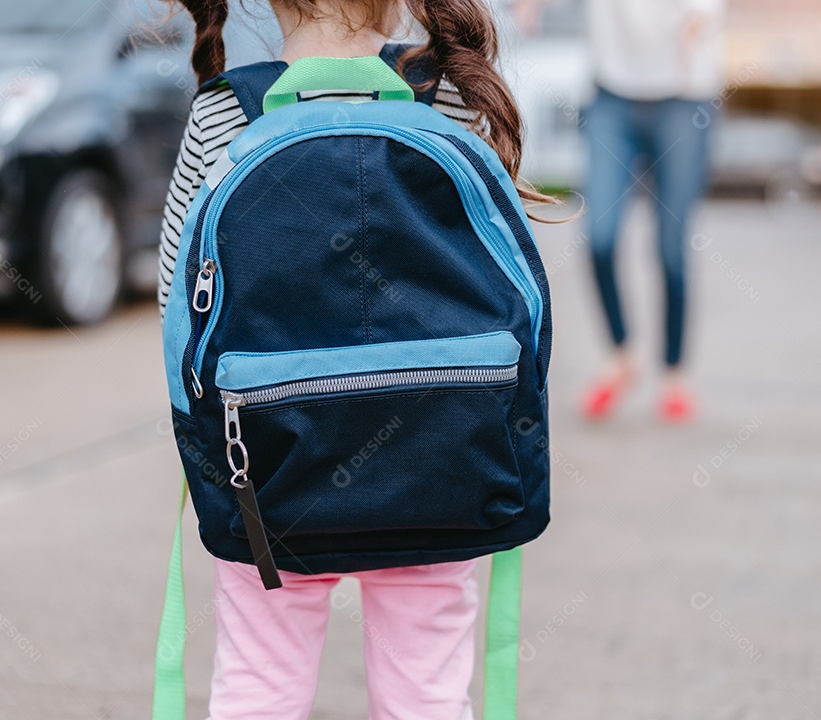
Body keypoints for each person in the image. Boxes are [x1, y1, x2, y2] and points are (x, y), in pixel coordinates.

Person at [157, 1, 553, 718]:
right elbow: (508, 297)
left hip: (268, 478)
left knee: (258, 687)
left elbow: (174, 306)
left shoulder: (223, 113)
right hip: (443, 468)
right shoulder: (455, 94)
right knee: (427, 694)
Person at [518, 0, 724, 421]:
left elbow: (703, 16)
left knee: (670, 247)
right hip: (612, 97)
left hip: (683, 98)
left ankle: (674, 373)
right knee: (600, 238)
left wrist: (691, 31)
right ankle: (621, 355)